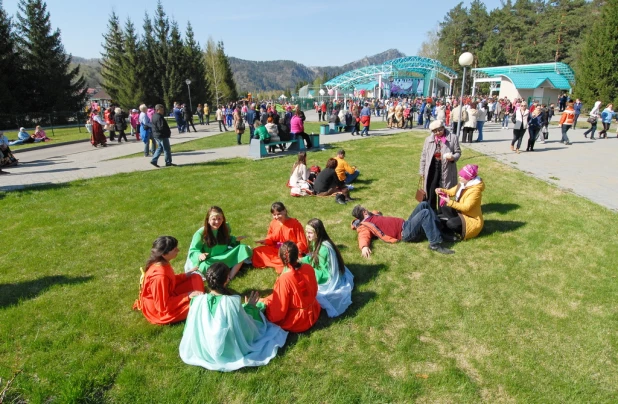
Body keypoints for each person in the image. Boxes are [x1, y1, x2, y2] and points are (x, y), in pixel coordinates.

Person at [179, 262, 288, 372]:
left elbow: (190, 328)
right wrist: (251, 308)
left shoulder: (197, 301)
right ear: (226, 280)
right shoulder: (231, 302)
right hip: (226, 349)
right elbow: (246, 327)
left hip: (203, 348)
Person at [132, 236, 205, 325]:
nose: (178, 250)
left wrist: (185, 276)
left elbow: (170, 281)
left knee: (195, 277)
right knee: (199, 304)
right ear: (164, 254)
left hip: (168, 296)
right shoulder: (160, 277)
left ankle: (197, 297)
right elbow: (162, 306)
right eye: (174, 249)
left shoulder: (162, 263)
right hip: (161, 312)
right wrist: (188, 295)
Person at [258, 242, 321, 332]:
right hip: (314, 311)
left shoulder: (284, 279)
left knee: (267, 302)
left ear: (281, 258)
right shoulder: (308, 268)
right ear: (297, 254)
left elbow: (279, 311)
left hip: (298, 321)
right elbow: (314, 290)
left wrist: (268, 312)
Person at [350, 203, 455, 256]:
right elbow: (363, 235)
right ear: (364, 212)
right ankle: (434, 244)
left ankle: (439, 231)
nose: (367, 209)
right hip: (405, 232)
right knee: (425, 213)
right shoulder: (365, 225)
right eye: (365, 209)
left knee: (424, 204)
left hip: (406, 223)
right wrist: (364, 247)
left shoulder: (372, 215)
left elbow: (377, 212)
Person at [300, 219, 354, 318]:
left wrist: (307, 269)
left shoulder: (323, 249)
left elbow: (325, 275)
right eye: (306, 232)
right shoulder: (316, 241)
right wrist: (303, 260)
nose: (307, 235)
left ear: (318, 232)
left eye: (310, 233)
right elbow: (313, 257)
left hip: (327, 281)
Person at [184, 206, 252, 281]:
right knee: (204, 267)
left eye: (219, 219)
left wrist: (235, 239)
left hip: (225, 255)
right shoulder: (201, 233)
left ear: (223, 219)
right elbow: (194, 250)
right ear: (208, 220)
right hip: (211, 260)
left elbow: (227, 240)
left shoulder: (225, 228)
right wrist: (199, 255)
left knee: (243, 249)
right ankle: (227, 268)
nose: (217, 222)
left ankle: (229, 277)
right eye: (214, 219)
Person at [252, 202, 308, 274]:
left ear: (284, 211)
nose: (276, 217)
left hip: (290, 251)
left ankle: (288, 263)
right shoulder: (273, 223)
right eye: (274, 215)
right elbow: (271, 238)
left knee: (289, 259)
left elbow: (301, 242)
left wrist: (293, 251)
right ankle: (285, 263)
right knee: (257, 251)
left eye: (279, 214)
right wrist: (266, 241)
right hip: (277, 250)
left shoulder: (295, 224)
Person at [419, 120, 461, 212]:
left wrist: (453, 157)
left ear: (443, 127)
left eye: (439, 130)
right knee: (431, 190)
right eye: (435, 131)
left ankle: (443, 212)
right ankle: (431, 212)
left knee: (444, 190)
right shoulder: (428, 140)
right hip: (432, 168)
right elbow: (424, 156)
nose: (438, 133)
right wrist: (422, 171)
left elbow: (458, 152)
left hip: (447, 168)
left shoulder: (453, 138)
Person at [435, 164, 485, 241]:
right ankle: (452, 224)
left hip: (471, 219)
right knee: (444, 207)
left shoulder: (475, 191)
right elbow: (451, 192)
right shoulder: (462, 184)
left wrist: (450, 202)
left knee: (451, 224)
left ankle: (459, 232)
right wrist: (441, 190)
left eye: (462, 176)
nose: (459, 177)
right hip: (462, 213)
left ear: (468, 178)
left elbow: (466, 208)